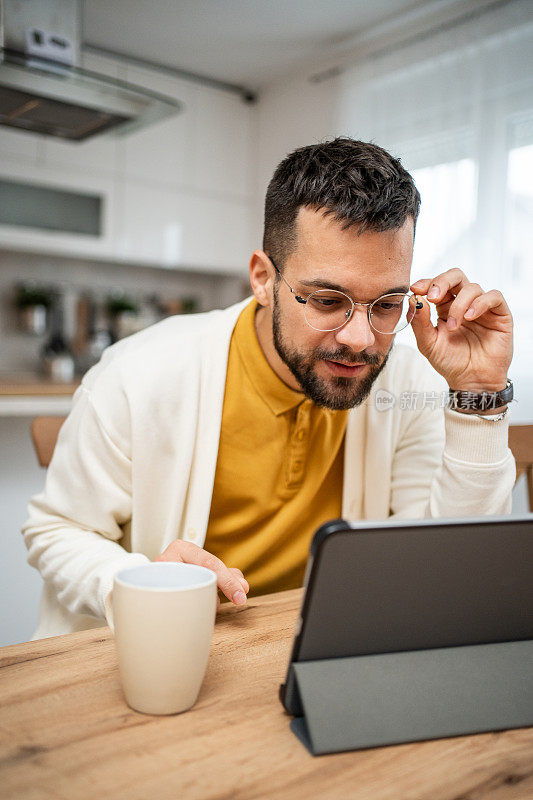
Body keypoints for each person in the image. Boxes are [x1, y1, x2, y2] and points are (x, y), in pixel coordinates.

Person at [22, 138, 515, 639]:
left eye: (387, 304)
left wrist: (479, 392)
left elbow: (442, 564)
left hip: (316, 649)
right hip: (152, 653)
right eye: (327, 300)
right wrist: (136, 583)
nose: (361, 340)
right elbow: (57, 531)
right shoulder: (139, 374)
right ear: (263, 279)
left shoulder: (404, 380)